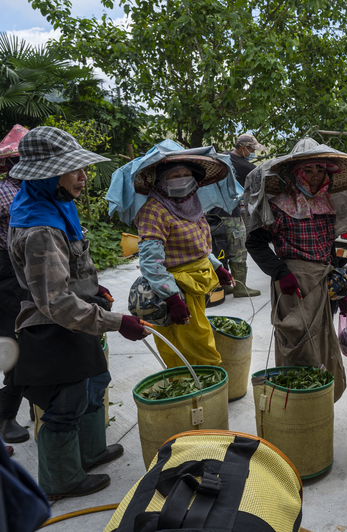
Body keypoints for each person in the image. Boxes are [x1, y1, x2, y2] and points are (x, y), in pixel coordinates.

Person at [6, 126, 149, 500]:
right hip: (54, 328)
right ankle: (61, 480)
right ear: (47, 175)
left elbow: (71, 268)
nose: (84, 177)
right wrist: (120, 323)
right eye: (75, 170)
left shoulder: (56, 204)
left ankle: (91, 451)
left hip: (80, 319)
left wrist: (94, 288)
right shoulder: (39, 227)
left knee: (94, 383)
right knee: (65, 405)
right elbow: (57, 303)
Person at [246, 144, 347, 402]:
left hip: (323, 280)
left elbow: (328, 247)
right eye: (308, 169)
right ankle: (296, 403)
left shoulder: (326, 204)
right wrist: (280, 273)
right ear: (295, 175)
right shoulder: (281, 207)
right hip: (295, 284)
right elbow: (254, 242)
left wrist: (339, 289)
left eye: (320, 169)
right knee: (298, 343)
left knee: (323, 341)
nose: (315, 175)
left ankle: (319, 402)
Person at [134, 154, 234, 368]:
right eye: (175, 175)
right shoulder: (154, 210)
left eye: (186, 174)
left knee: (194, 339)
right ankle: (202, 393)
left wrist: (217, 267)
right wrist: (171, 298)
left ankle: (202, 392)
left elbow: (201, 245)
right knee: (195, 346)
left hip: (196, 284)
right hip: (177, 288)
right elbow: (151, 262)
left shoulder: (192, 204)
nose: (182, 179)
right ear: (161, 180)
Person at [0, 126, 30, 450]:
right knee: (16, 344)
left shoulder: (35, 191)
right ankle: (6, 415)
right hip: (7, 274)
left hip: (24, 269)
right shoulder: (7, 193)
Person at [207, 134, 265, 298]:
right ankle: (240, 287)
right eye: (252, 149)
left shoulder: (222, 157)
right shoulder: (246, 167)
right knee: (238, 250)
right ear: (243, 148)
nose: (253, 152)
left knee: (219, 249)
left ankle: (224, 285)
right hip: (230, 215)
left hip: (211, 215)